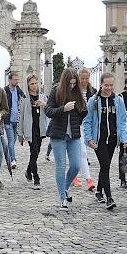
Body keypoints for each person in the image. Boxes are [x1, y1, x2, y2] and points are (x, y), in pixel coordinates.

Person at [83, 73, 127, 210]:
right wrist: (89, 138)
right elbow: (87, 121)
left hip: (113, 138)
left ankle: (98, 191)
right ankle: (109, 197)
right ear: (101, 84)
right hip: (99, 139)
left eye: (111, 85)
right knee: (105, 165)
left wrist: (124, 138)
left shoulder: (118, 100)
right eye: (106, 85)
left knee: (105, 166)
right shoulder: (94, 101)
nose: (109, 88)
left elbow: (121, 121)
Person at [46, 68, 87, 209]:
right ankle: (63, 198)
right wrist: (63, 108)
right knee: (61, 166)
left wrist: (78, 119)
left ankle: (66, 187)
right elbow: (48, 110)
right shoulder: (56, 91)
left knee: (76, 165)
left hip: (73, 134)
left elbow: (84, 110)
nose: (72, 86)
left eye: (74, 83)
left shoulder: (77, 92)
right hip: (58, 134)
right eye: (70, 83)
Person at [17, 73, 47, 189]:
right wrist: (20, 134)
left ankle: (28, 171)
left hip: (40, 129)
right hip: (30, 130)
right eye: (32, 84)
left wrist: (44, 104)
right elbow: (21, 117)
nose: (34, 86)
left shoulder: (43, 97)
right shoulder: (24, 101)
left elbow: (50, 110)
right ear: (28, 85)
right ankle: (36, 178)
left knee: (36, 152)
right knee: (33, 152)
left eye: (36, 83)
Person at [75, 68, 96, 191]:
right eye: (82, 78)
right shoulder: (74, 90)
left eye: (86, 78)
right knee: (82, 151)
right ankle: (88, 178)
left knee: (82, 151)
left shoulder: (93, 92)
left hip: (88, 124)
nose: (84, 80)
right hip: (77, 124)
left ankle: (76, 175)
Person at [4, 72, 25, 170]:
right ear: (10, 80)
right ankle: (13, 160)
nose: (17, 81)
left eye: (17, 79)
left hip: (17, 120)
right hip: (8, 120)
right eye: (15, 79)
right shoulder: (5, 91)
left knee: (12, 141)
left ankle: (9, 157)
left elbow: (25, 100)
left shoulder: (19, 90)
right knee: (11, 140)